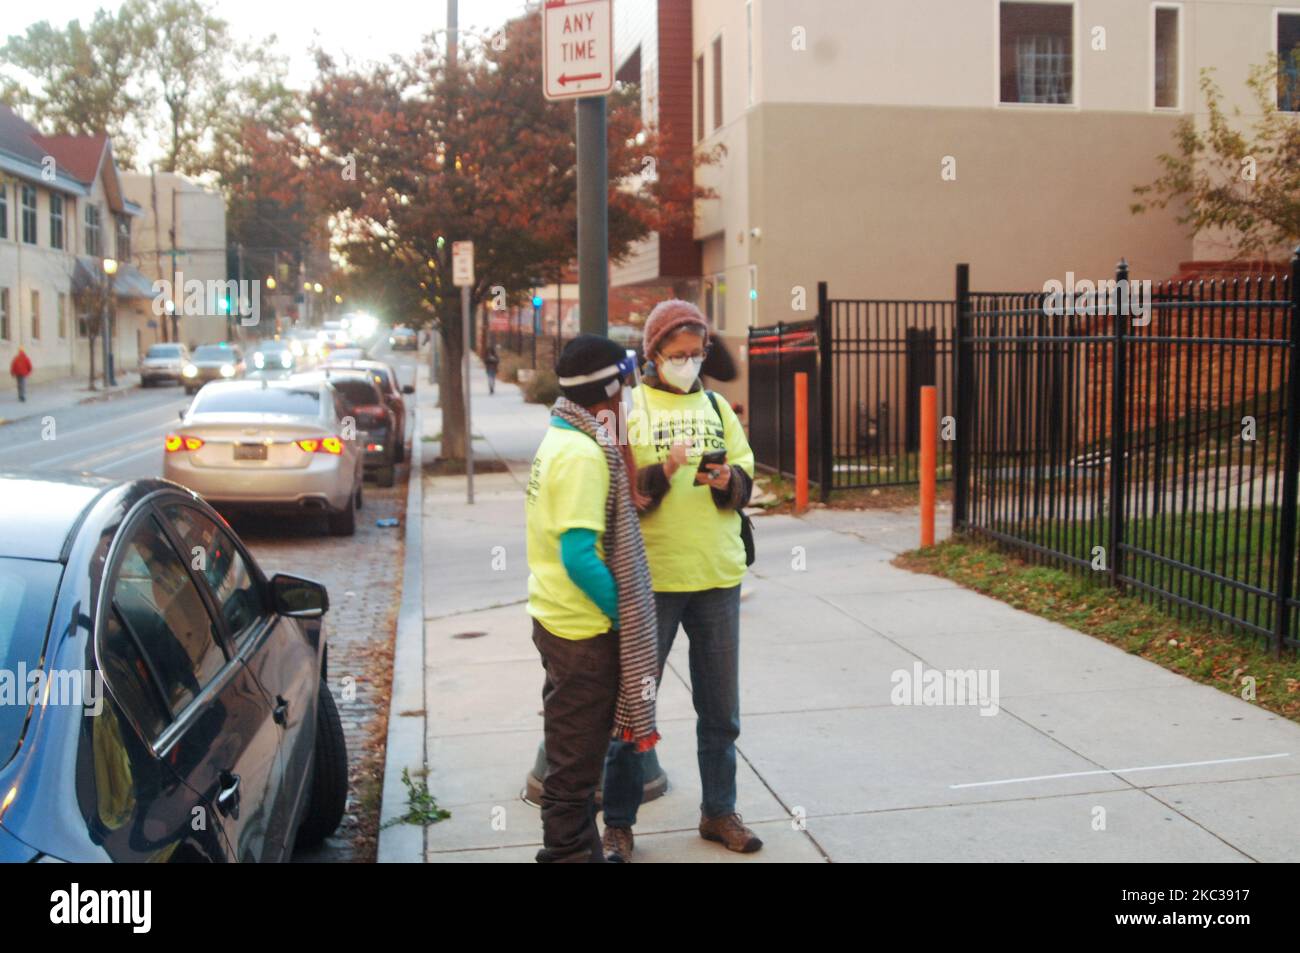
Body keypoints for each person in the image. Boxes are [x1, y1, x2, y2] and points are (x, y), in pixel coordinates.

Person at [602, 299, 760, 862]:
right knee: (633, 707)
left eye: (696, 354)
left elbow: (747, 477)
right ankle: (618, 825)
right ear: (653, 355)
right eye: (678, 355)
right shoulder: (627, 409)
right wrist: (665, 471)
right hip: (652, 583)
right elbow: (621, 493)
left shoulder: (718, 406)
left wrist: (727, 480)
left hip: (717, 576)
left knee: (721, 710)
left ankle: (719, 812)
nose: (689, 363)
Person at [525, 334, 660, 863]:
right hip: (580, 631)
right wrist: (625, 616)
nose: (627, 394)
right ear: (608, 389)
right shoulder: (583, 454)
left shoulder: (559, 435)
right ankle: (566, 855)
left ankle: (576, 851)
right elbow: (580, 556)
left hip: (554, 618)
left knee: (571, 754)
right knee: (575, 765)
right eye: (623, 385)